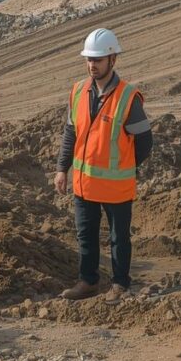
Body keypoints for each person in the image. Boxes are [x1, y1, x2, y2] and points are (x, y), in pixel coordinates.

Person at [54, 28, 153, 304]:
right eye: (89, 59)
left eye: (98, 60)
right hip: (84, 183)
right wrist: (62, 168)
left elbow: (145, 142)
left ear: (113, 60)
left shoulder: (127, 97)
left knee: (119, 239)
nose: (92, 65)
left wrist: (126, 166)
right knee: (85, 236)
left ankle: (120, 284)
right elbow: (70, 133)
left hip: (116, 185)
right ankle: (88, 282)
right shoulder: (78, 91)